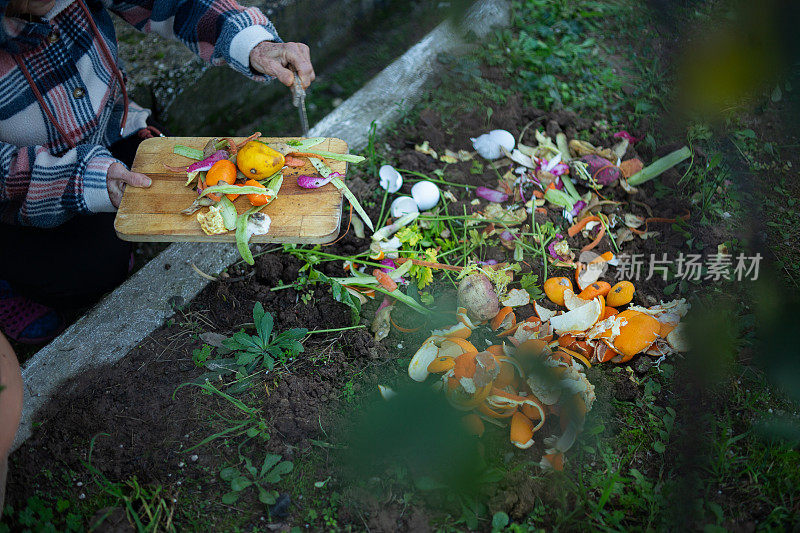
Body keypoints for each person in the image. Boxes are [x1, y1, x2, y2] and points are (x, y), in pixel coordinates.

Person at [0, 0, 314, 513]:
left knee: (123, 233)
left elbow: (182, 3)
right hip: (22, 187)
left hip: (112, 136)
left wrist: (255, 45)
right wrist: (82, 181)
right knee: (81, 274)